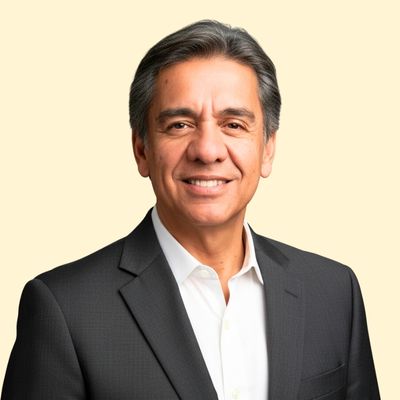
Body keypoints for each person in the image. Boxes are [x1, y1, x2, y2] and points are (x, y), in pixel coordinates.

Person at [1, 20, 380, 400]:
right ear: (142, 149)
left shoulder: (334, 293)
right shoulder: (64, 309)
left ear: (267, 149)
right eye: (180, 125)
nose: (207, 150)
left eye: (234, 124)